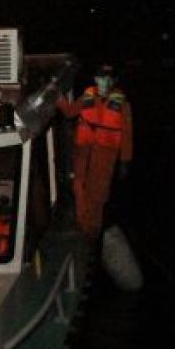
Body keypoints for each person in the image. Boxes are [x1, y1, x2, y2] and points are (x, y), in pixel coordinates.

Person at [57, 63, 134, 241]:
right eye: (101, 77)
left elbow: (127, 134)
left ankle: (92, 230)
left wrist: (125, 162)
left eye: (108, 78)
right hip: (83, 150)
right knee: (78, 186)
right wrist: (59, 99)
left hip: (106, 154)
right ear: (95, 79)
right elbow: (69, 112)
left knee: (98, 194)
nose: (104, 81)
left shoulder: (123, 105)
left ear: (114, 81)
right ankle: (82, 223)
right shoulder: (87, 96)